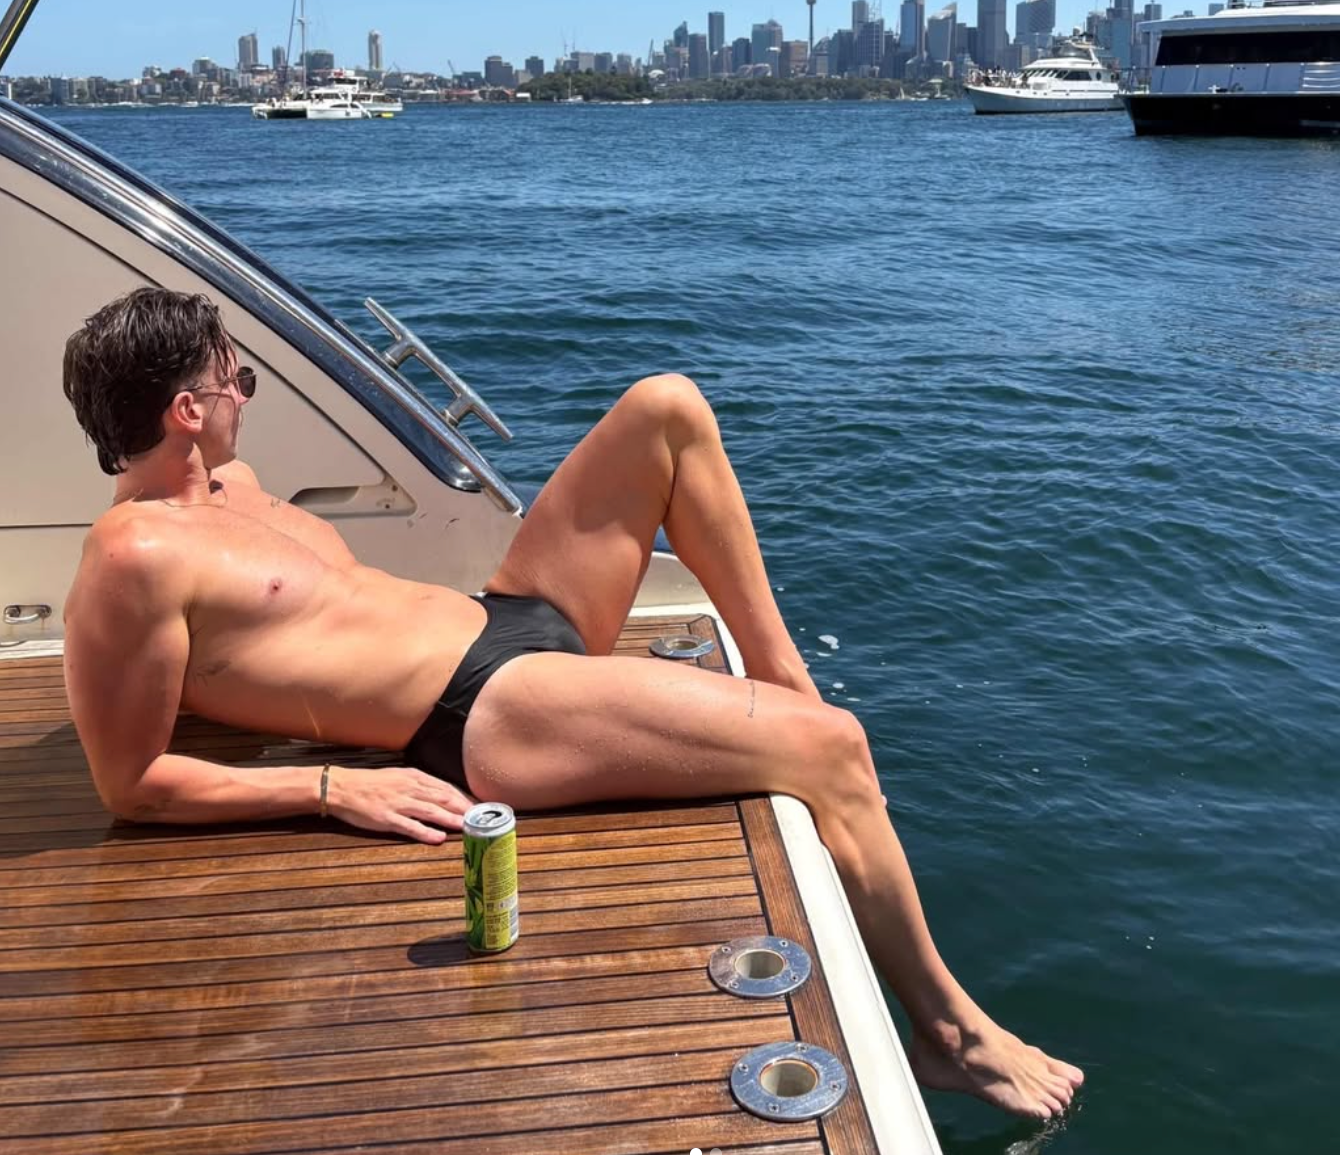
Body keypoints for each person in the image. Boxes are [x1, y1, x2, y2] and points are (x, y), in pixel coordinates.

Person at [61, 287, 1083, 1121]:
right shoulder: (131, 555)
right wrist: (332, 787)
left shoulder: (233, 485)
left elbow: (257, 645)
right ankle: (950, 1033)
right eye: (235, 381)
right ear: (183, 410)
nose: (245, 397)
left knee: (666, 409)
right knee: (832, 749)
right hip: (477, 713)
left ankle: (780, 678)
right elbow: (129, 781)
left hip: (502, 625)